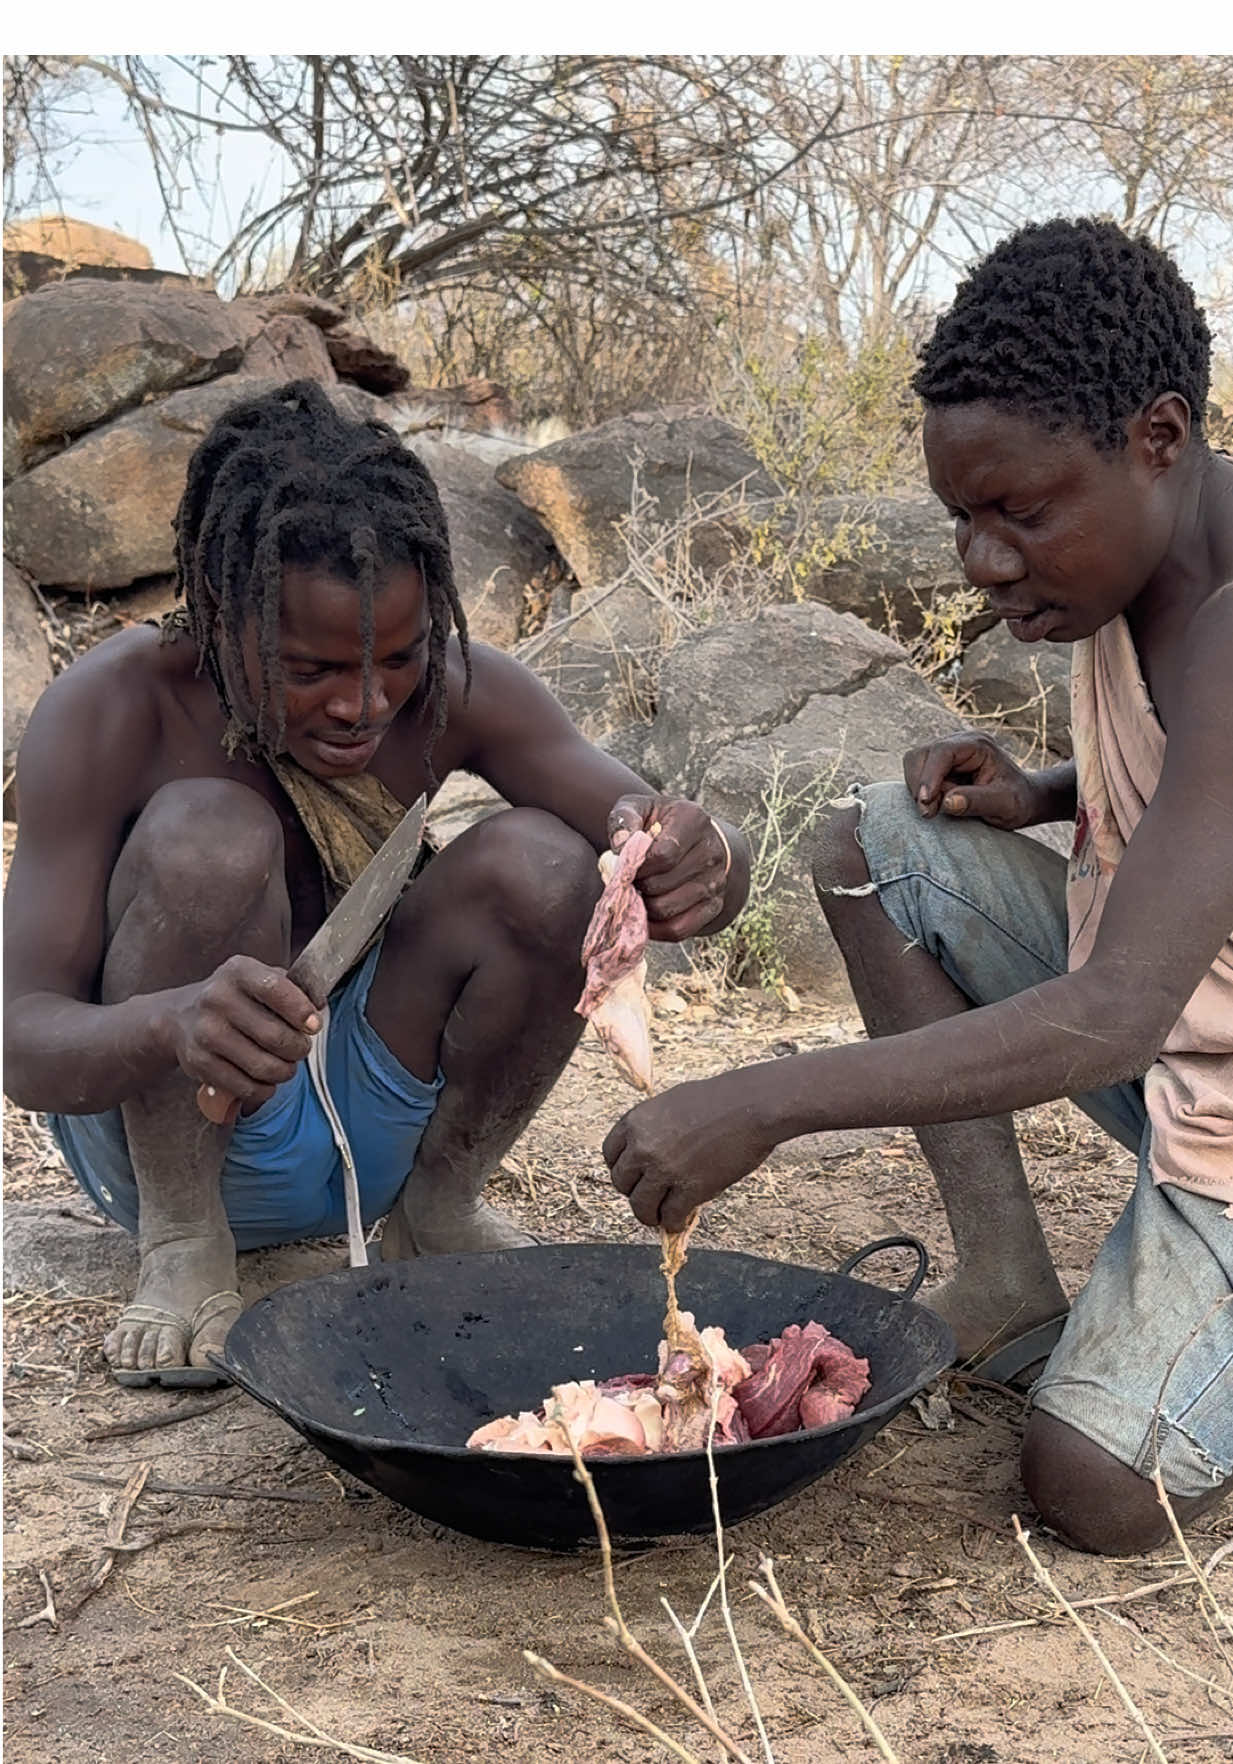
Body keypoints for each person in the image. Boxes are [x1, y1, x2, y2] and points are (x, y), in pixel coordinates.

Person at [602, 218, 1232, 1555]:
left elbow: (1115, 1012)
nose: (982, 564)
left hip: (1192, 1077)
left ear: (1159, 438)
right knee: (878, 837)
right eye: (962, 519)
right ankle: (1005, 1278)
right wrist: (1046, 791)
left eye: (1021, 513)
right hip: (1191, 1041)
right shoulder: (1150, 567)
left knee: (1093, 1491)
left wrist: (761, 1101)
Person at [3, 379, 751, 1388]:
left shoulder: (455, 693)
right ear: (221, 615)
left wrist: (703, 859)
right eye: (310, 668)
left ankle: (438, 1208)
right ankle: (184, 1243)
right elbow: (20, 1038)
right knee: (208, 834)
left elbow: (647, 828)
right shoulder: (110, 710)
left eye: (397, 659)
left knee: (551, 861)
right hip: (170, 1129)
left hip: (370, 1128)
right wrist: (172, 1022)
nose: (365, 704)